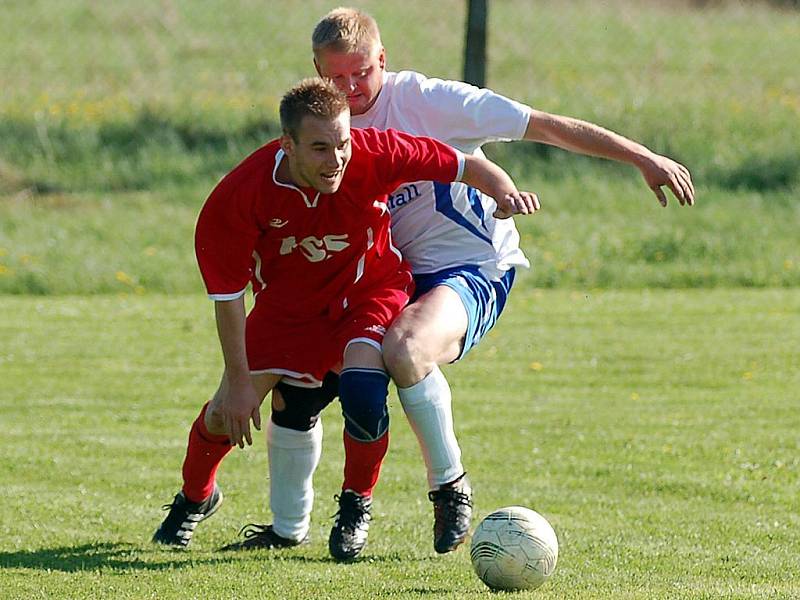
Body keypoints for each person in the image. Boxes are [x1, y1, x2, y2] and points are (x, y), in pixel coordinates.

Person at [304, 6, 695, 557]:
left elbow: (542, 125)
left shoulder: (428, 101)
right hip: (383, 280)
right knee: (319, 381)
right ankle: (309, 516)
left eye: (361, 72)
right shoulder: (321, 127)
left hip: (469, 267)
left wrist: (641, 157)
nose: (349, 87)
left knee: (407, 347)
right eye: (335, 77)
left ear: (383, 60)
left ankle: (450, 488)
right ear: (317, 71)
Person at [151, 77, 539, 560]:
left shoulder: (373, 152)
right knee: (222, 413)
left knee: (362, 386)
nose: (335, 159)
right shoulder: (240, 196)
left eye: (342, 143)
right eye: (318, 148)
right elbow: (228, 297)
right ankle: (196, 498)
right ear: (287, 144)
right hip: (287, 314)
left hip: (368, 295)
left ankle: (356, 505)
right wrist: (236, 381)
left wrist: (504, 190)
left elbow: (462, 165)